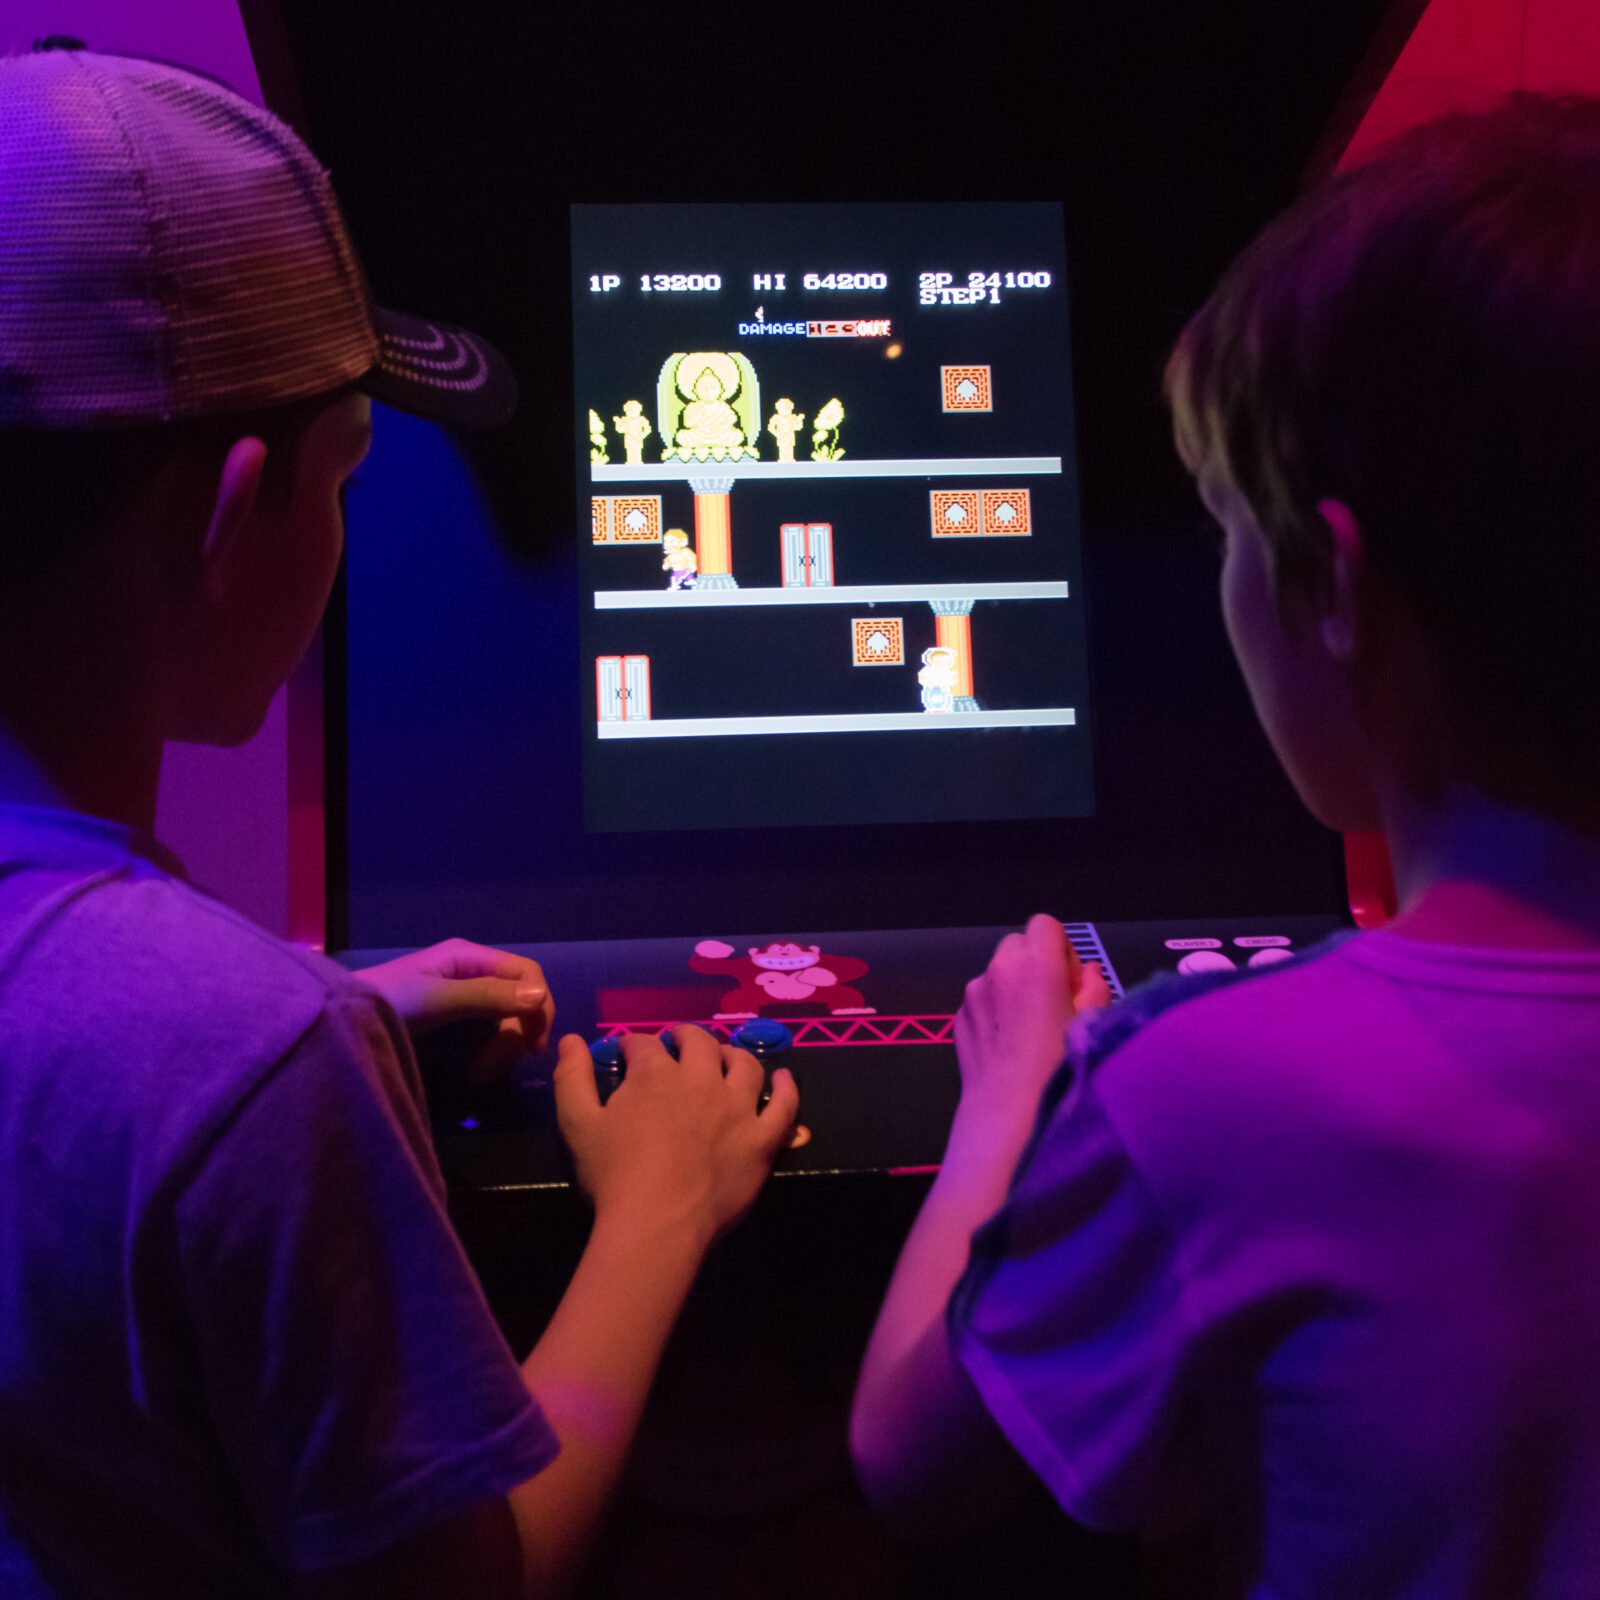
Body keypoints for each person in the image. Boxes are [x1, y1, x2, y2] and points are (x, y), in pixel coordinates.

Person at [0, 42, 799, 1600]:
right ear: (231, 516)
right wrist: (660, 1204)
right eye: (349, 473)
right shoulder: (250, 1058)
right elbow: (476, 1581)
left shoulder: (209, 1045)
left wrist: (323, 1012)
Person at [850, 94, 1600, 1598]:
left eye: (1223, 531)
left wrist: (1010, 1095)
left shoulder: (1210, 1082)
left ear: (1329, 579)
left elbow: (910, 1456)